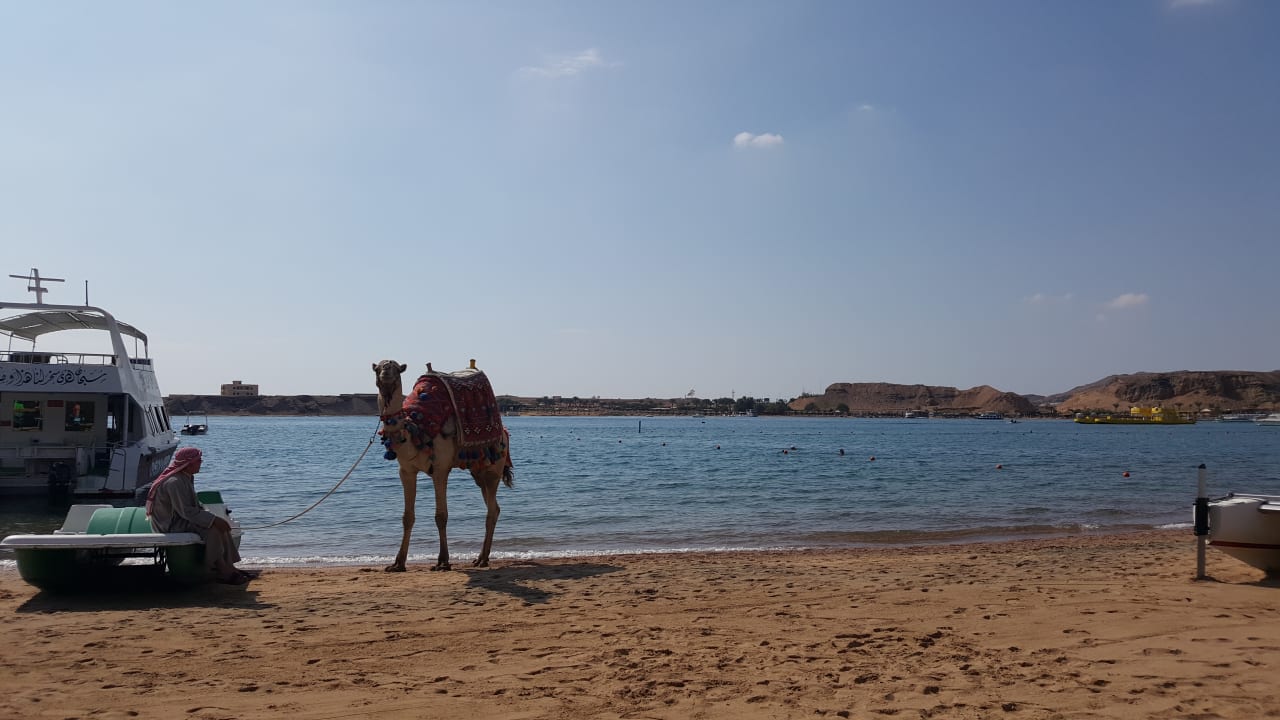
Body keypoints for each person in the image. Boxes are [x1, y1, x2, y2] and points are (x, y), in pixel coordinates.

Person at [145, 447, 249, 585]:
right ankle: (221, 569)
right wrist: (212, 520)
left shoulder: (185, 477)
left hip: (181, 519)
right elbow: (186, 511)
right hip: (170, 524)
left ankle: (229, 566)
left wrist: (213, 519)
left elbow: (191, 508)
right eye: (198, 460)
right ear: (188, 463)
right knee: (213, 529)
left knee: (222, 526)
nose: (201, 462)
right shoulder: (175, 482)